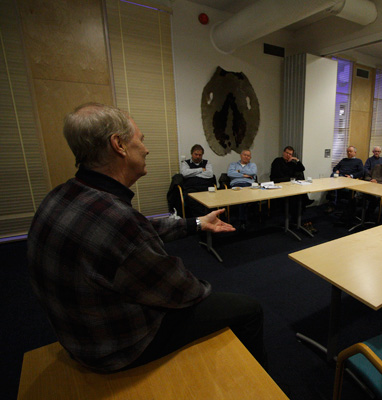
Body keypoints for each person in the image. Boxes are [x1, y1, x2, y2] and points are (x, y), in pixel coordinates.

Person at [27, 103, 265, 372]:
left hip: (79, 338)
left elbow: (136, 233)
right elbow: (184, 292)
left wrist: (197, 223)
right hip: (119, 348)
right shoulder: (117, 219)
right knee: (249, 309)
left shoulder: (60, 195)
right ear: (119, 145)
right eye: (140, 140)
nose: (146, 148)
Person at [325, 146, 364, 213]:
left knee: (333, 185)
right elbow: (335, 168)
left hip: (348, 179)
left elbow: (361, 172)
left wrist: (351, 176)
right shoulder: (343, 160)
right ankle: (333, 202)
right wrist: (336, 170)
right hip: (340, 177)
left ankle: (332, 204)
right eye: (347, 151)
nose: (348, 153)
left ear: (355, 152)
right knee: (333, 174)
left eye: (350, 151)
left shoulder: (358, 161)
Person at [227, 149, 257, 228]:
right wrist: (244, 175)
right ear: (241, 155)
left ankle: (242, 220)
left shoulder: (252, 165)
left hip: (248, 184)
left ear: (250, 157)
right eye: (244, 155)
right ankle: (243, 220)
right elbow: (230, 173)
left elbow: (253, 172)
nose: (246, 157)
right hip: (236, 184)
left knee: (243, 198)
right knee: (242, 198)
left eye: (248, 156)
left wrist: (238, 171)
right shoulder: (233, 164)